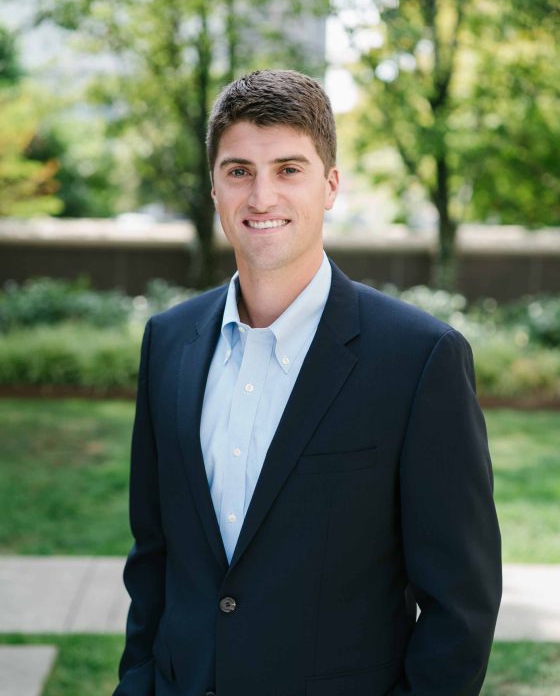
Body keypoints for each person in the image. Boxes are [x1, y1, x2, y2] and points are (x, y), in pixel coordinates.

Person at [114, 69, 501, 696]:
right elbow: (154, 558)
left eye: (288, 169)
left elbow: (462, 605)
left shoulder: (419, 359)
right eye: (239, 171)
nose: (261, 196)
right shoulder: (169, 343)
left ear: (330, 186)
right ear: (214, 187)